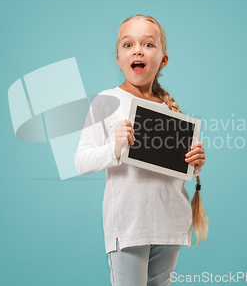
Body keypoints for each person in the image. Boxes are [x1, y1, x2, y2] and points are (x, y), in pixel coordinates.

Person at [75, 14, 208, 286]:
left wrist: (194, 164)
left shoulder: (170, 110)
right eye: (128, 45)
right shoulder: (107, 101)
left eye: (148, 44)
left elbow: (174, 174)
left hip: (169, 225)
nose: (137, 50)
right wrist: (114, 148)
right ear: (118, 59)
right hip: (128, 226)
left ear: (163, 59)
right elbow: (81, 161)